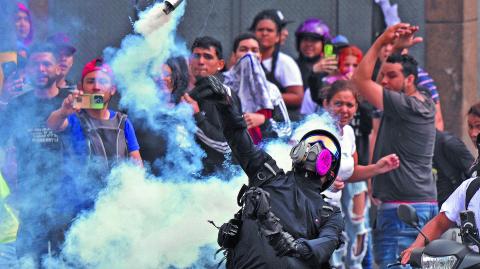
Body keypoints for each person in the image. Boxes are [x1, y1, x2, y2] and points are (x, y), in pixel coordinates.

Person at [198, 74, 343, 267]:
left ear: (330, 173)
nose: (314, 151)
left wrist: (290, 245)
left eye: (323, 151)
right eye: (310, 146)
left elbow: (325, 245)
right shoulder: (266, 173)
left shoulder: (329, 214)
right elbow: (238, 137)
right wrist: (225, 104)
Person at [352, 23, 438, 268]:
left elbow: (360, 80)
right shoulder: (421, 100)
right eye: (385, 75)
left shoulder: (405, 106)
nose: (385, 81)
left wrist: (381, 42)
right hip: (418, 205)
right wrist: (396, 51)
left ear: (410, 79)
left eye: (392, 76)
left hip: (402, 211)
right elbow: (376, 85)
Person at [0, 42, 70, 264]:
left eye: (46, 64)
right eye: (35, 64)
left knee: (68, 260)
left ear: (58, 68)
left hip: (66, 200)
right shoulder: (17, 105)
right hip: (30, 202)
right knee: (28, 261)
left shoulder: (71, 102)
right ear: (27, 69)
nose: (41, 69)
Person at [321, 80, 399, 269]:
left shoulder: (348, 133)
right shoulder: (316, 130)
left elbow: (351, 172)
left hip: (332, 212)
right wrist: (324, 182)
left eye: (350, 105)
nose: (344, 110)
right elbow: (296, 169)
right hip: (310, 213)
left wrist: (377, 168)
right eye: (338, 103)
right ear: (326, 104)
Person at [400, 101, 480, 264]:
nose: (473, 134)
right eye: (470, 127)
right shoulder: (469, 188)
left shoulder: (449, 144)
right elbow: (439, 222)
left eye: (478, 126)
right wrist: (415, 247)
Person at [47, 57, 143, 170]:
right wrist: (63, 112)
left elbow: (137, 165)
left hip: (116, 187)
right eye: (90, 81)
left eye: (102, 81)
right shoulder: (72, 119)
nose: (96, 87)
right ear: (80, 87)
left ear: (112, 89)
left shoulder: (122, 122)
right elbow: (52, 125)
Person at [182, 36, 241, 176]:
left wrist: (196, 117)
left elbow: (226, 145)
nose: (201, 61)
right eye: (196, 56)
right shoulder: (194, 92)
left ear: (220, 64)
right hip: (195, 177)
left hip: (219, 180)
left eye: (208, 57)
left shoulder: (221, 94)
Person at [224, 33, 291, 144]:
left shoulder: (271, 89)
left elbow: (286, 129)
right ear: (234, 55)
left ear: (260, 56)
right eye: (243, 49)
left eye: (254, 50)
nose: (249, 54)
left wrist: (264, 121)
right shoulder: (222, 85)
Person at [250, 9, 304, 121]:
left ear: (278, 36)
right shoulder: (245, 60)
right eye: (260, 30)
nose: (264, 33)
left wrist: (265, 96)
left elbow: (298, 97)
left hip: (278, 124)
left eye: (269, 30)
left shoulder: (285, 62)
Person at [295, 18, 337, 106]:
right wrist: (313, 72)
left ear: (324, 44)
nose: (309, 44)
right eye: (305, 39)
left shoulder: (331, 67)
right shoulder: (291, 65)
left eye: (314, 40)